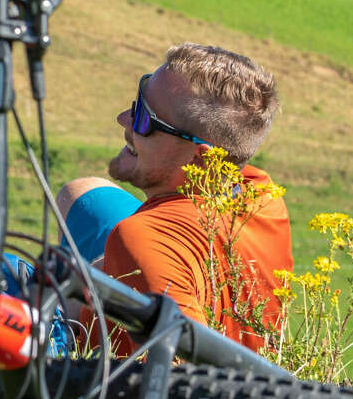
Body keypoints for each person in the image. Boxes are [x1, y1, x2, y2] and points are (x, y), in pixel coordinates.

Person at [55, 44, 293, 351]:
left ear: (201, 158)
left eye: (144, 119)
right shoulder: (260, 191)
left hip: (98, 365)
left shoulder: (139, 239)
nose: (123, 119)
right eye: (137, 100)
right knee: (82, 192)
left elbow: (179, 378)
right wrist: (106, 267)